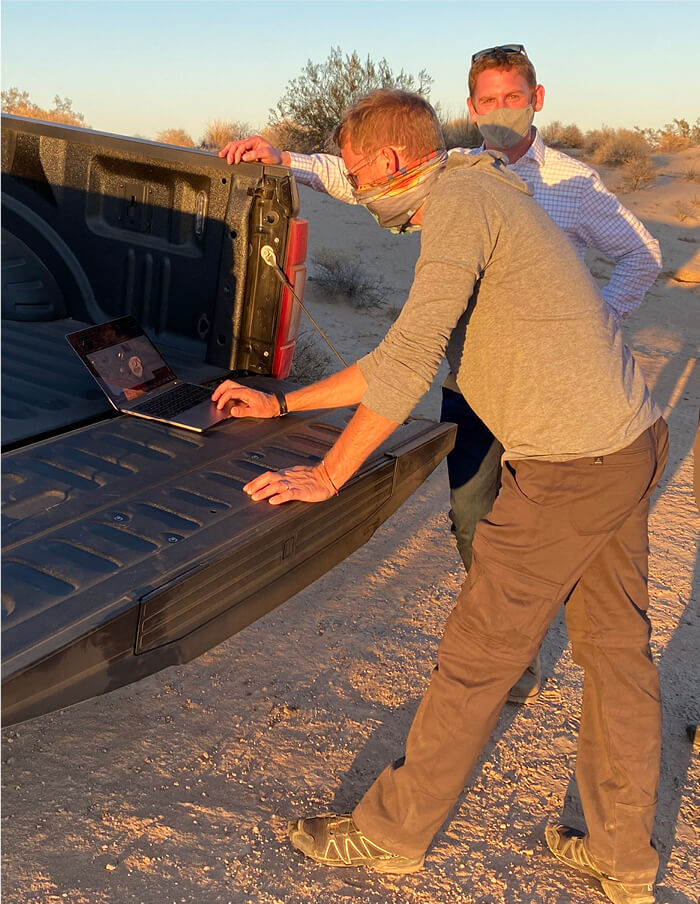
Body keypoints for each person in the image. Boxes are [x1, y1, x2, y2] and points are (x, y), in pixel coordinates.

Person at [213, 89, 668, 904]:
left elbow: (410, 358)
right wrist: (280, 404)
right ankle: (624, 856)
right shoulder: (481, 184)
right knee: (615, 653)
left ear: (392, 162)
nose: (354, 187)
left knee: (477, 654)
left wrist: (327, 474)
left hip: (569, 466)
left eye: (356, 172)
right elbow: (394, 352)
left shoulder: (459, 201)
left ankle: (391, 833)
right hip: (628, 438)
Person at [219, 45, 662, 704]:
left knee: (560, 536)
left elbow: (643, 255)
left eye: (513, 97)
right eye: (487, 100)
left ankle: (505, 647)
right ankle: (514, 653)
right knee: (471, 511)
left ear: (536, 99)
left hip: (557, 395)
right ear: (470, 108)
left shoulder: (571, 183)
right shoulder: (451, 172)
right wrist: (287, 162)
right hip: (476, 375)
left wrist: (591, 324)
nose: (500, 111)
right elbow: (365, 177)